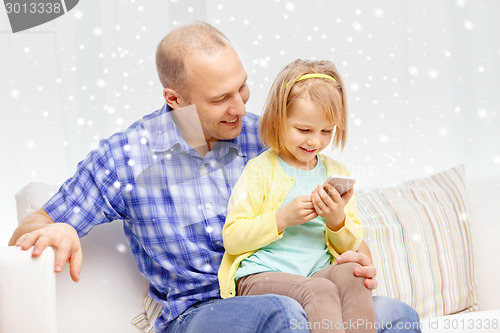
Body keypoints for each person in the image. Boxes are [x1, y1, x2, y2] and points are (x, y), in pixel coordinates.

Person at [8, 22, 421, 333]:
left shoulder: (269, 138)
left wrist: (355, 255)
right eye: (220, 98)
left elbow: (342, 226)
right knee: (282, 314)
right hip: (198, 313)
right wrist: (56, 229)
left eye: (243, 89)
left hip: (296, 287)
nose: (240, 108)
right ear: (175, 98)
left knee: (399, 317)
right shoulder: (125, 158)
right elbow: (30, 228)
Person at [219, 59, 376, 333]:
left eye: (326, 131)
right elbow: (232, 239)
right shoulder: (261, 170)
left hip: (316, 272)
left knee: (353, 275)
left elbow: (352, 248)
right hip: (261, 276)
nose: (315, 141)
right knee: (319, 290)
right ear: (279, 119)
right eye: (304, 130)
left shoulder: (336, 172)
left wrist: (336, 220)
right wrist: (282, 218)